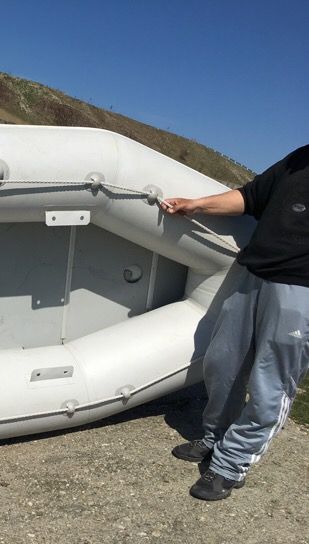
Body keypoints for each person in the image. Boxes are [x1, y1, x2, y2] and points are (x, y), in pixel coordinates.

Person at [161, 144, 309, 501]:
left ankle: (232, 463)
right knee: (222, 362)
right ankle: (215, 437)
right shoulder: (300, 159)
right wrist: (197, 205)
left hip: (300, 289)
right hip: (251, 273)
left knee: (271, 383)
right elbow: (249, 197)